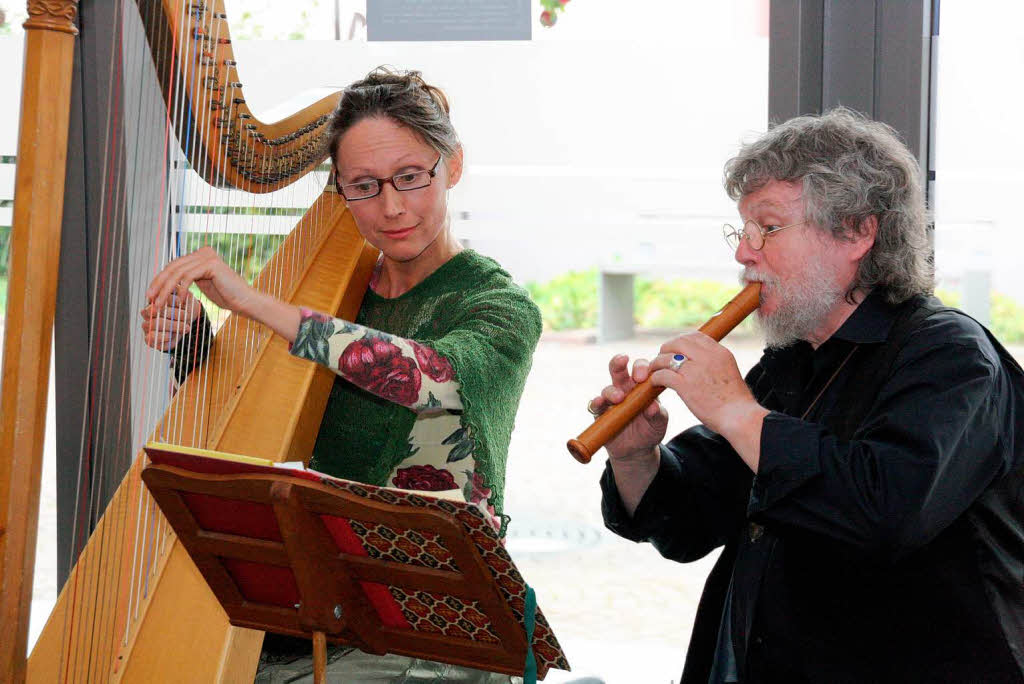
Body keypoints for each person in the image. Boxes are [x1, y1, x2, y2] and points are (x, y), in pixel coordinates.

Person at [590, 108, 1023, 683]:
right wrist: (635, 454)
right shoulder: (793, 360)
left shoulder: (950, 356)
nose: (744, 253)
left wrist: (737, 411)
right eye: (742, 231)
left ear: (856, 233)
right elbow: (688, 523)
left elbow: (884, 512)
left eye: (768, 228)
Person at [143, 67, 542, 683]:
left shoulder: (498, 307)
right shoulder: (334, 294)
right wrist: (194, 342)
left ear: (452, 165)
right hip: (324, 617)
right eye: (364, 186)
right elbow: (262, 423)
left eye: (410, 177)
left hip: (430, 627)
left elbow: (427, 376)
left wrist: (250, 301)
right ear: (339, 191)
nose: (391, 207)